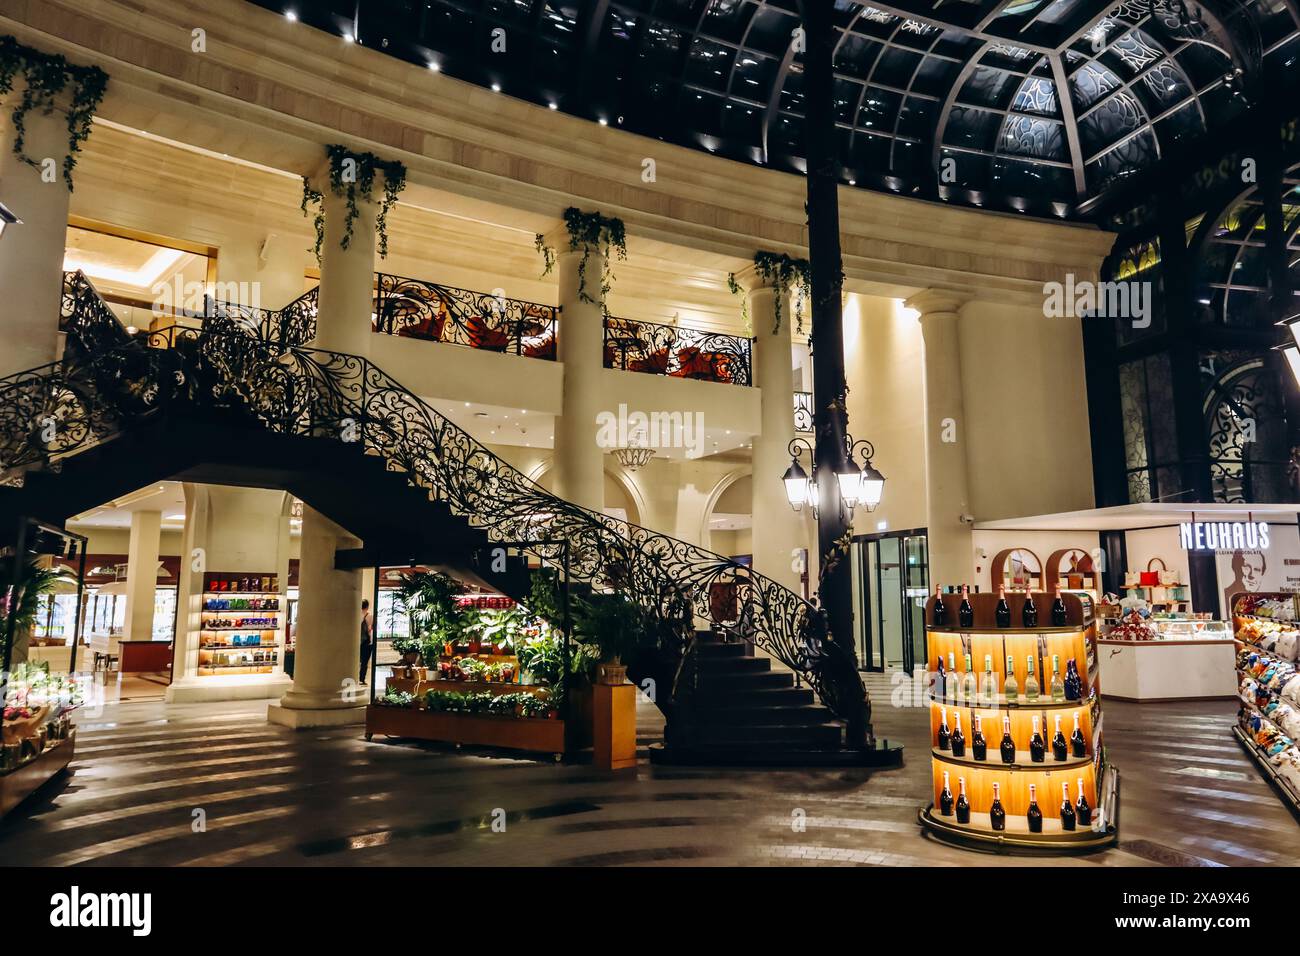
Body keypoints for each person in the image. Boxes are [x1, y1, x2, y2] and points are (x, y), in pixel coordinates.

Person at [358, 599, 373, 682]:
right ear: (367, 606)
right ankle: (362, 679)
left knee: (356, 660)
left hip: (358, 641)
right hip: (367, 642)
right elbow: (373, 628)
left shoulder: (357, 615)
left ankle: (354, 677)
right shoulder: (370, 616)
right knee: (364, 662)